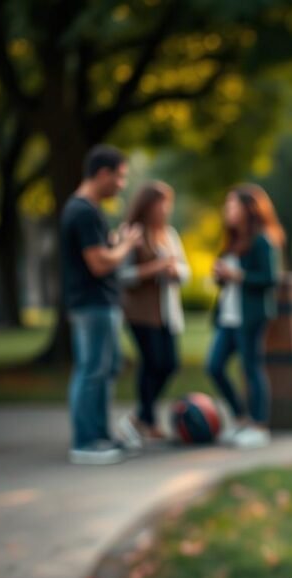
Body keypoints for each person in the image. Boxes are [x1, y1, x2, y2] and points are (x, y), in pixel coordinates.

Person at [60, 144, 142, 465]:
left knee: (105, 369)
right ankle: (85, 442)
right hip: (92, 304)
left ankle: (100, 436)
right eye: (120, 177)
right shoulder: (83, 211)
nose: (121, 185)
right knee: (92, 371)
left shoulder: (88, 210)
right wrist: (126, 246)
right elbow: (99, 263)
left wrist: (114, 244)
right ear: (103, 173)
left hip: (98, 303)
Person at [205, 184, 284, 449]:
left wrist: (236, 275)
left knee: (251, 368)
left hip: (251, 316)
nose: (227, 210)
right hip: (228, 316)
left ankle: (259, 426)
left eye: (232, 205)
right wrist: (220, 276)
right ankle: (240, 419)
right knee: (214, 366)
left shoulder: (262, 240)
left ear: (247, 209)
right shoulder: (232, 239)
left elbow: (270, 278)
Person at [116, 181, 191, 448]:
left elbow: (185, 271)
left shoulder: (168, 235)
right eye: (161, 204)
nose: (165, 210)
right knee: (151, 363)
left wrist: (174, 271)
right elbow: (120, 275)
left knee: (169, 364)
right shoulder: (130, 233)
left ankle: (142, 418)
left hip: (166, 312)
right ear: (148, 206)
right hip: (140, 313)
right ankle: (146, 420)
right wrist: (152, 269)